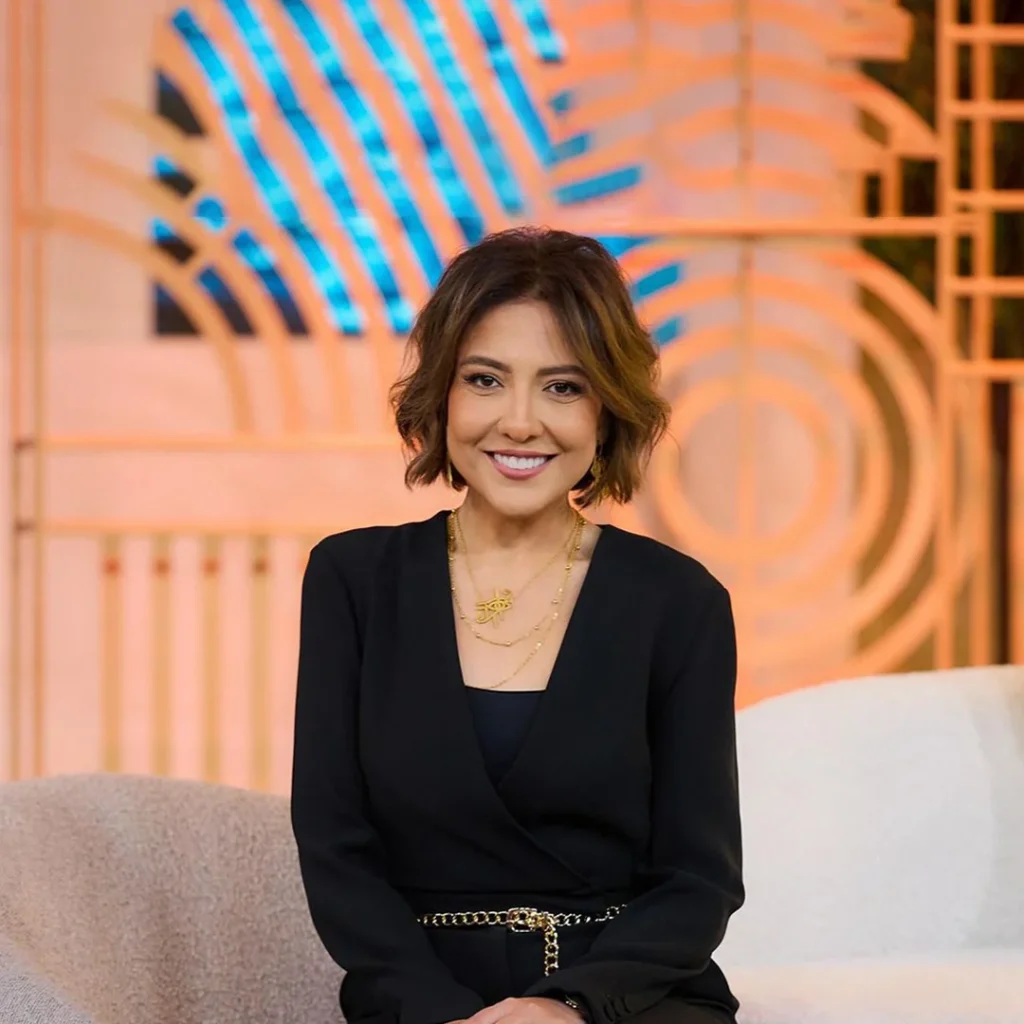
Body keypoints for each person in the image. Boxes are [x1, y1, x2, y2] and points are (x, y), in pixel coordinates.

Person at [290, 227, 744, 1024]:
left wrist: (565, 1005)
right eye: (486, 380)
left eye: (563, 387)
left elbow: (698, 879)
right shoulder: (352, 580)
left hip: (623, 1002)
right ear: (443, 395)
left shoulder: (681, 602)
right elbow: (336, 850)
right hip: (419, 1000)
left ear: (607, 410)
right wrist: (440, 1011)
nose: (521, 422)